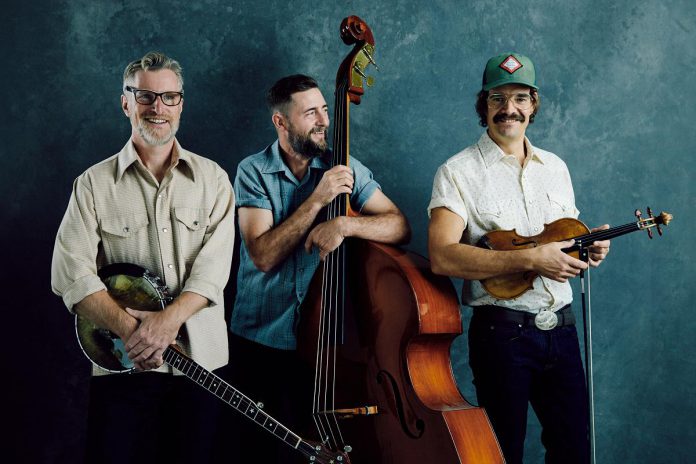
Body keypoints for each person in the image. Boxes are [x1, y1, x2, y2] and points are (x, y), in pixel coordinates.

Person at [51, 51, 235, 464]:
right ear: (126, 103)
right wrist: (134, 333)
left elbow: (214, 271)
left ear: (181, 103)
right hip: (123, 369)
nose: (158, 108)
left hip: (203, 371)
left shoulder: (214, 180)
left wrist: (166, 323)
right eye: (146, 97)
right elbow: (69, 273)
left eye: (169, 97)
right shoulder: (92, 185)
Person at [427, 52, 611, 463]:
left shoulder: (556, 168)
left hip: (562, 333)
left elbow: (563, 245)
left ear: (533, 104)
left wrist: (590, 249)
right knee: (501, 453)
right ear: (484, 105)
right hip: (503, 336)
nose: (509, 109)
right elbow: (442, 256)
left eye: (520, 99)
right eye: (498, 99)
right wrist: (530, 260)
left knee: (573, 452)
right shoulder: (457, 172)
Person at [219, 74, 411, 462]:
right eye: (311, 112)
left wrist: (344, 223)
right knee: (256, 452)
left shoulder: (343, 166)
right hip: (260, 341)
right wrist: (318, 200)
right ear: (282, 122)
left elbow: (399, 225)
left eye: (325, 108)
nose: (324, 119)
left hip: (323, 346)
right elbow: (263, 255)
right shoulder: (253, 171)